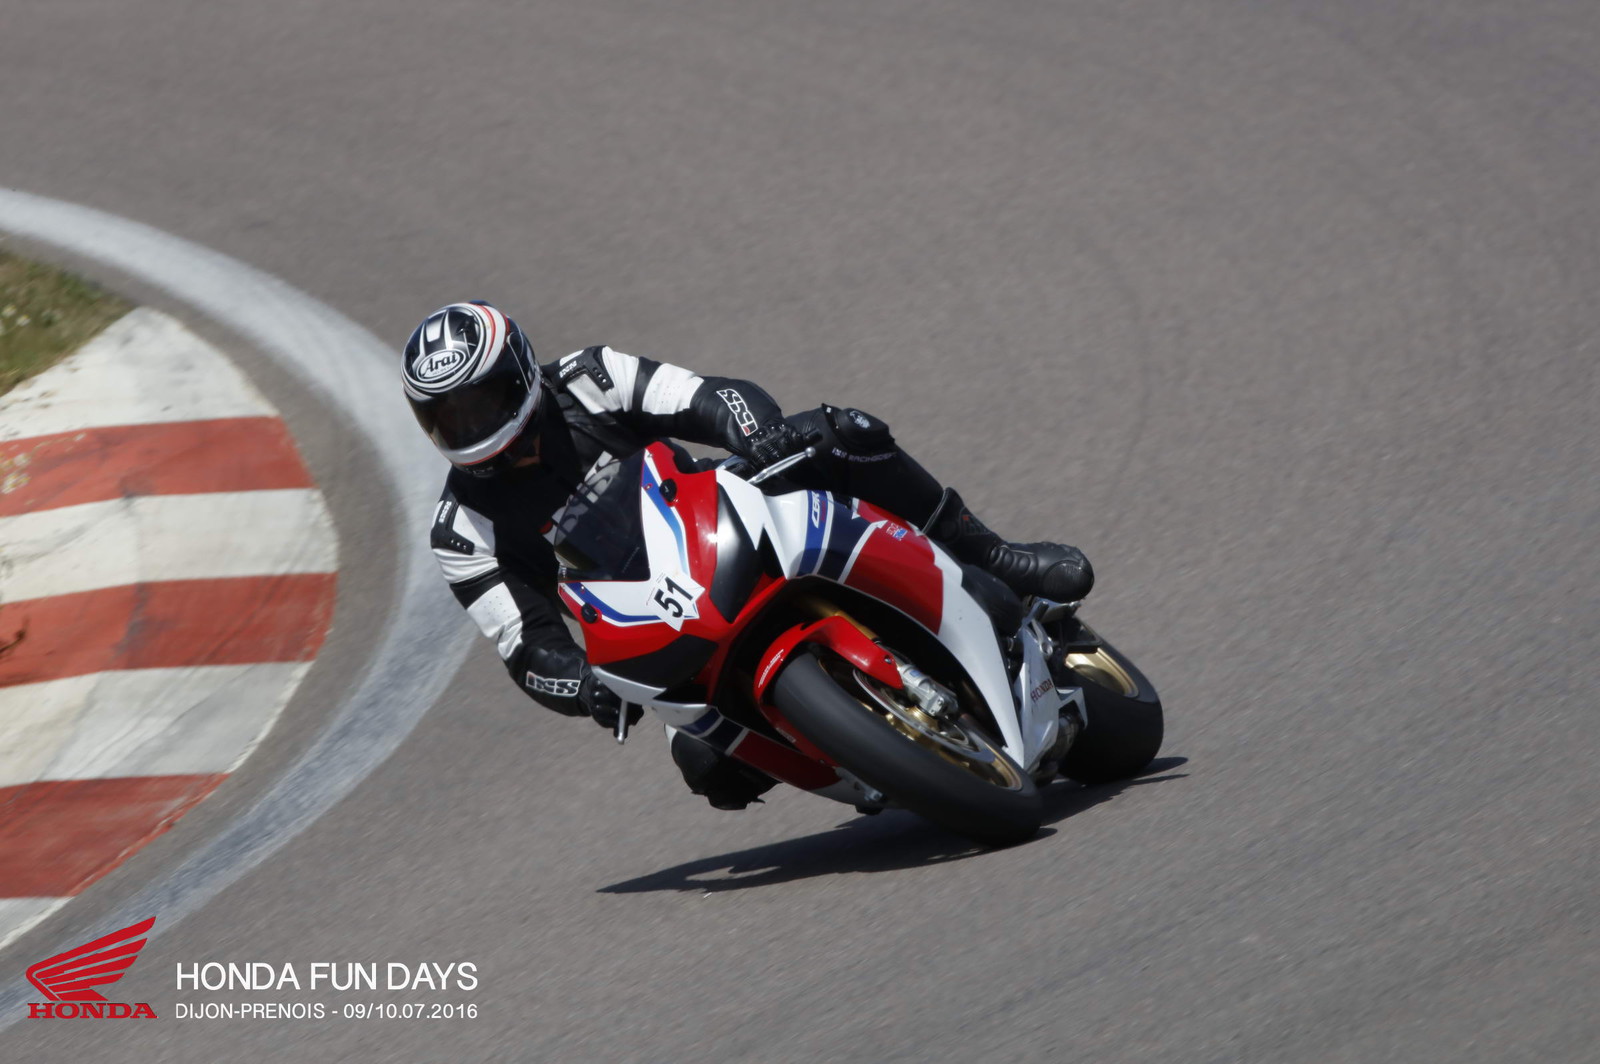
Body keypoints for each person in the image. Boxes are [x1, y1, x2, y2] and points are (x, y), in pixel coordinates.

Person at [403, 301, 1092, 809]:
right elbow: (525, 644)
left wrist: (757, 434)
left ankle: (997, 559)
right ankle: (866, 757)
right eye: (447, 417)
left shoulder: (590, 378)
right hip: (658, 625)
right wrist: (583, 685)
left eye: (479, 403)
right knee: (710, 770)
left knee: (843, 435)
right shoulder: (460, 530)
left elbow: (708, 397)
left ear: (520, 372)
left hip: (719, 520)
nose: (469, 426)